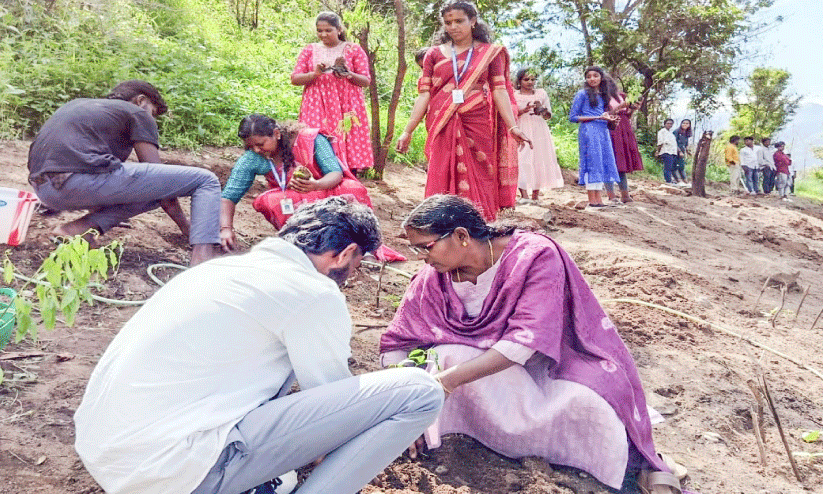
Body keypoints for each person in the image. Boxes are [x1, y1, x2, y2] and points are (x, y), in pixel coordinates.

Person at [74, 197, 444, 494]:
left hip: (111, 458)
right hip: (174, 471)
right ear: (345, 254)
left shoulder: (220, 270)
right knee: (420, 391)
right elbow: (337, 406)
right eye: (358, 264)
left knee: (281, 470)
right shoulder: (313, 291)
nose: (353, 274)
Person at [380, 195, 683, 494]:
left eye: (425, 247)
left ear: (461, 236)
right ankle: (469, 435)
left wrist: (446, 383)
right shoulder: (434, 278)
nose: (420, 257)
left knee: (594, 409)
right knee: (446, 355)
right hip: (483, 375)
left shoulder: (534, 256)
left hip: (549, 367)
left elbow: (523, 343)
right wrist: (406, 406)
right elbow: (398, 341)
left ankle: (636, 464)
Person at [27, 80, 221, 265]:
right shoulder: (137, 112)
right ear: (141, 100)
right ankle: (203, 259)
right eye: (153, 113)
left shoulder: (80, 106)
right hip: (76, 181)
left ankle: (78, 230)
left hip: (45, 190)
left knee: (148, 193)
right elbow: (162, 183)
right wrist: (187, 229)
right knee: (205, 180)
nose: (151, 119)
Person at [395, 1, 530, 221]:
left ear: (473, 21)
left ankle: (478, 224)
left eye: (459, 21)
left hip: (477, 121)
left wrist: (513, 126)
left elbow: (499, 90)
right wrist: (407, 131)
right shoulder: (433, 54)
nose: (453, 27)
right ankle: (439, 224)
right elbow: (424, 95)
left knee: (481, 171)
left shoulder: (490, 53)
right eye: (448, 22)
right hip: (442, 120)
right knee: (441, 171)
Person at [220, 114, 371, 252]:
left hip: (327, 191)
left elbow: (335, 174)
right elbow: (229, 197)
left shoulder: (309, 139)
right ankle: (304, 243)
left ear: (277, 134)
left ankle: (364, 247)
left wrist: (316, 185)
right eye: (250, 146)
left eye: (260, 144)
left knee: (353, 188)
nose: (256, 150)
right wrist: (226, 229)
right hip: (294, 200)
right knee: (269, 201)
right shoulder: (252, 158)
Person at [291, 12, 373, 174]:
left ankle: (348, 180)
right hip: (316, 105)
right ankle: (320, 179)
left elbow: (365, 80)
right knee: (317, 139)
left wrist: (348, 74)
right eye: (319, 31)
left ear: (339, 30)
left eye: (328, 30)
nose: (323, 34)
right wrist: (314, 74)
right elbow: (295, 78)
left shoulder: (353, 50)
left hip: (346, 105)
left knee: (347, 140)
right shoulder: (310, 50)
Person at [569, 66, 620, 207]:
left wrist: (609, 119)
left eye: (595, 76)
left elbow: (603, 114)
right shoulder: (582, 94)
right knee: (591, 162)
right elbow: (573, 117)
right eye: (589, 76)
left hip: (602, 130)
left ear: (601, 78)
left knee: (601, 162)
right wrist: (597, 117)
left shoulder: (604, 95)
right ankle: (592, 200)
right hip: (589, 131)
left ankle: (599, 200)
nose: (592, 79)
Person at [513, 67, 563, 204]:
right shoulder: (514, 95)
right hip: (522, 128)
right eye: (526, 79)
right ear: (519, 81)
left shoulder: (541, 93)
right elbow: (512, 113)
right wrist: (524, 110)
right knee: (522, 158)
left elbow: (548, 116)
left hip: (539, 129)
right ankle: (524, 195)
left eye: (533, 79)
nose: (530, 82)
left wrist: (541, 109)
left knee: (539, 157)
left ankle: (535, 195)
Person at [604, 78, 643, 203]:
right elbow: (603, 114)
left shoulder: (622, 96)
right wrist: (618, 108)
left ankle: (625, 195)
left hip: (624, 128)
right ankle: (611, 195)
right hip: (610, 128)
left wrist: (632, 108)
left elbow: (627, 114)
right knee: (609, 161)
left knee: (621, 162)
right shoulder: (600, 97)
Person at [655, 119, 678, 185]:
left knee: (671, 167)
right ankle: (668, 181)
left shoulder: (671, 133)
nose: (669, 125)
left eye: (671, 124)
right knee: (667, 167)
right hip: (666, 151)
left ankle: (670, 179)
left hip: (672, 152)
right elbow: (660, 142)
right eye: (668, 123)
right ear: (665, 124)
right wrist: (657, 151)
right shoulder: (662, 132)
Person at [672, 119, 692, 186]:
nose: (685, 125)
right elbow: (674, 143)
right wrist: (679, 151)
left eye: (687, 123)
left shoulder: (686, 133)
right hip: (675, 151)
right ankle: (678, 180)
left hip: (682, 151)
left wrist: (687, 151)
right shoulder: (676, 131)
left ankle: (685, 180)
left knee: (681, 166)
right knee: (675, 166)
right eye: (683, 123)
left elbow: (686, 144)